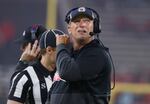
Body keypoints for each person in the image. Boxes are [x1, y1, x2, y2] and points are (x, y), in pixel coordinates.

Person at [49, 7, 113, 104]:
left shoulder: (97, 55)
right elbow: (54, 91)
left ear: (95, 27)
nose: (82, 24)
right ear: (69, 28)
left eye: (86, 21)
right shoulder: (68, 55)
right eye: (76, 21)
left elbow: (67, 72)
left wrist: (61, 46)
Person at [7, 29, 64, 104]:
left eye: (25, 45)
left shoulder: (67, 73)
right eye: (62, 49)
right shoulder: (26, 76)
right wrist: (22, 62)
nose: (65, 52)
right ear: (49, 50)